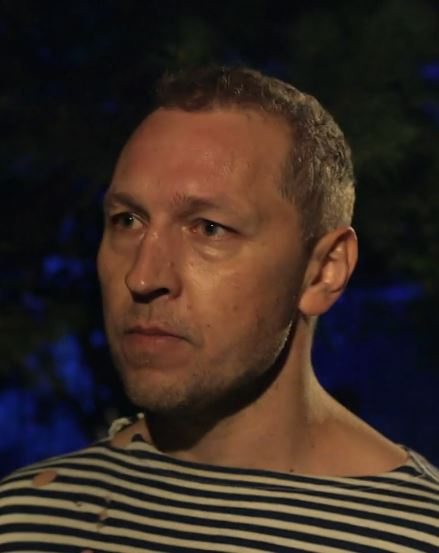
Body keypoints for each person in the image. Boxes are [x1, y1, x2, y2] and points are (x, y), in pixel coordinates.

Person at [1, 66, 438, 552]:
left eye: (209, 228)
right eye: (127, 221)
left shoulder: (418, 534)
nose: (143, 277)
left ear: (323, 271)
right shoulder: (26, 522)